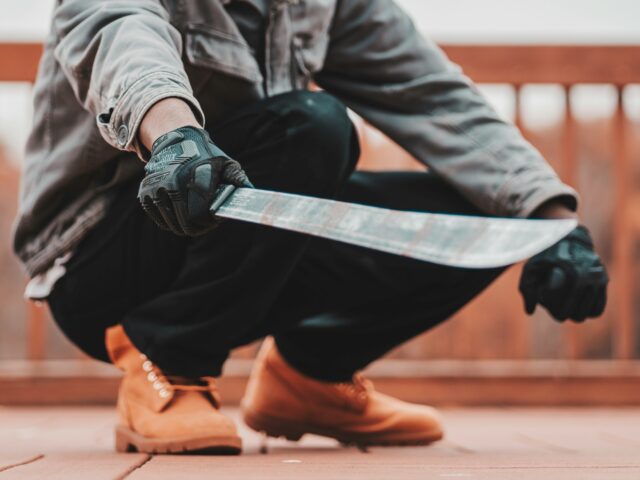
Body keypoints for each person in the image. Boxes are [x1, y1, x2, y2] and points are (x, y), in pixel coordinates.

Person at [13, 0, 608, 454]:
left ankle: (309, 377)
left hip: (242, 244)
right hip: (104, 258)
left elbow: (434, 97)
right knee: (315, 126)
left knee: (492, 215)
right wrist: (172, 134)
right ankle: (165, 364)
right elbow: (117, 28)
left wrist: (553, 224)